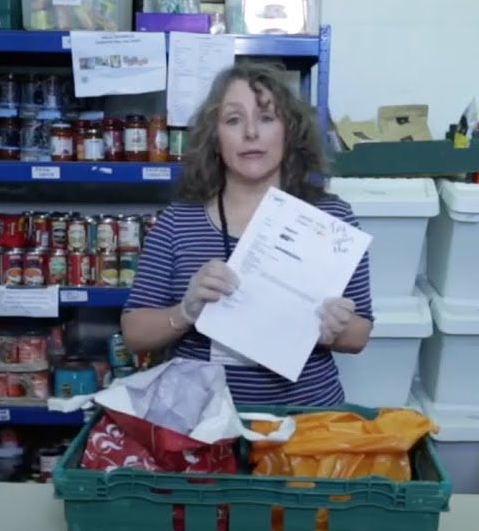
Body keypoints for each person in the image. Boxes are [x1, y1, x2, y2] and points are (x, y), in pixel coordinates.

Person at [121, 62, 374, 407]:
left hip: (305, 419)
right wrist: (186, 311)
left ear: (290, 132)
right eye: (233, 120)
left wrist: (334, 328)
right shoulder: (177, 223)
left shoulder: (331, 220)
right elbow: (134, 334)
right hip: (202, 420)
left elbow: (359, 334)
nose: (251, 133)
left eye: (267, 118)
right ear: (215, 138)